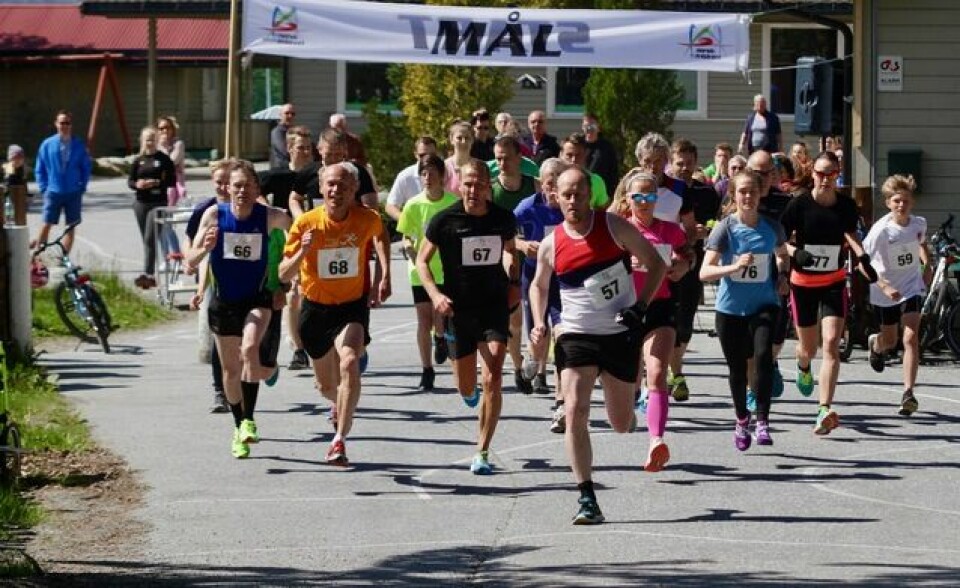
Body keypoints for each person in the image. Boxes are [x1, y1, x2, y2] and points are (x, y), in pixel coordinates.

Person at [529, 166, 666, 525]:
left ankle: (631, 408)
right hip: (575, 335)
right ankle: (586, 496)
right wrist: (541, 320)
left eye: (579, 192)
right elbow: (539, 285)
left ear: (591, 194)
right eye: (566, 194)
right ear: (554, 197)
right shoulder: (551, 243)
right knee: (574, 409)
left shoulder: (614, 226)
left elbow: (656, 264)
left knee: (620, 424)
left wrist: (640, 307)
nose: (573, 200)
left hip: (619, 332)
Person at [279, 162, 391, 466]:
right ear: (321, 188)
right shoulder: (305, 223)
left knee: (350, 361)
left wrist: (384, 275)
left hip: (351, 307)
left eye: (343, 185)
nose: (335, 191)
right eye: (330, 185)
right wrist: (303, 251)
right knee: (327, 386)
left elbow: (381, 238)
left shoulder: (367, 219)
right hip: (315, 309)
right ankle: (338, 402)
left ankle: (339, 440)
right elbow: (283, 273)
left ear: (354, 189)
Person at [416, 160, 518, 475]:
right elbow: (422, 261)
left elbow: (511, 249)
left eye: (479, 184)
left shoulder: (502, 218)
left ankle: (482, 451)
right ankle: (467, 388)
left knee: (494, 376)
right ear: (459, 185)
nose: (473, 190)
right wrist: (435, 295)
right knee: (466, 387)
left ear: (489, 186)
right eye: (468, 184)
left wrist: (512, 272)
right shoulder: (444, 220)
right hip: (459, 309)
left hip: (493, 306)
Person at [186, 159, 292, 458]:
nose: (242, 191)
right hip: (224, 303)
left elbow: (298, 229)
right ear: (227, 189)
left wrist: (288, 277)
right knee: (231, 372)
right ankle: (238, 425)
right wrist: (204, 248)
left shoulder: (268, 216)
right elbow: (190, 261)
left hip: (257, 299)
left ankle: (249, 419)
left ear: (257, 187)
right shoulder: (213, 215)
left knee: (249, 349)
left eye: (247, 185)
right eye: (237, 186)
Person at [780, 151, 877, 435]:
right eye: (821, 174)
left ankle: (824, 408)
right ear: (813, 174)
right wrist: (795, 252)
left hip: (834, 282)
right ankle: (803, 364)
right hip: (804, 284)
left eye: (831, 174)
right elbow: (779, 240)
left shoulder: (846, 205)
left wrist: (862, 256)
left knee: (832, 343)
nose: (825, 179)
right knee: (809, 348)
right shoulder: (798, 205)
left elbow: (849, 233)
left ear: (838, 175)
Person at [701, 171, 790, 450]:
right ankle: (742, 419)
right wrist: (734, 266)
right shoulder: (725, 229)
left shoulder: (772, 227)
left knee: (763, 356)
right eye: (742, 192)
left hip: (764, 305)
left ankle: (762, 419)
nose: (748, 197)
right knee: (737, 369)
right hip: (730, 310)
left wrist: (784, 275)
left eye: (752, 191)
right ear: (733, 195)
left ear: (760, 193)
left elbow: (783, 253)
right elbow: (705, 272)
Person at [622, 171, 693, 470]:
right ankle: (632, 401)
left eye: (650, 196)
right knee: (627, 380)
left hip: (659, 307)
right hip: (624, 308)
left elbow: (687, 252)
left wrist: (683, 265)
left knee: (658, 371)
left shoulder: (669, 230)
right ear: (628, 199)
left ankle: (656, 441)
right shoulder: (620, 230)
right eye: (638, 196)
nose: (644, 202)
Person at [863, 174, 929, 416]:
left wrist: (927, 265)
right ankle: (876, 344)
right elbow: (863, 264)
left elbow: (920, 243)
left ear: (912, 201)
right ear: (888, 203)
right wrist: (883, 286)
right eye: (897, 201)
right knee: (890, 340)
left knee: (910, 338)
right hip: (886, 290)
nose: (902, 205)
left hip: (911, 286)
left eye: (906, 201)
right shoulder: (880, 231)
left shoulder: (918, 223)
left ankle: (908, 393)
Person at [664, 139, 720, 403]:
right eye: (679, 163)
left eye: (689, 163)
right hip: (665, 262)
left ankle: (672, 367)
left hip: (694, 262)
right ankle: (675, 374)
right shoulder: (665, 190)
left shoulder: (707, 193)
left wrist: (703, 231)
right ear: (671, 164)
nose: (684, 168)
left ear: (696, 163)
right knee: (667, 318)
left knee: (685, 322)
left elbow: (714, 225)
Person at [396, 154, 458, 391]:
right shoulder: (413, 204)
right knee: (424, 320)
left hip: (446, 271)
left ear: (443, 176)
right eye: (424, 173)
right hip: (420, 272)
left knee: (440, 315)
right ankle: (427, 369)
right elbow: (406, 237)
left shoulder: (453, 203)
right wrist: (411, 252)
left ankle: (441, 337)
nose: (428, 178)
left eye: (433, 173)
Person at [259, 126, 317, 370]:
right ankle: (298, 349)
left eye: (308, 147)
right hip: (287, 239)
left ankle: (315, 342)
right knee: (293, 295)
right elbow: (256, 192)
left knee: (309, 295)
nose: (304, 152)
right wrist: (273, 215)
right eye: (300, 147)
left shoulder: (318, 175)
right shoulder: (278, 175)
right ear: (289, 149)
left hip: (315, 239)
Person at [514, 158, 569, 412]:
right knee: (539, 330)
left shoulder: (571, 207)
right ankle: (534, 357)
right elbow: (508, 234)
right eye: (550, 182)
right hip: (534, 278)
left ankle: (560, 395)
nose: (554, 188)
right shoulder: (527, 207)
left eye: (559, 182)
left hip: (564, 279)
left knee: (562, 335)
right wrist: (523, 245)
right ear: (541, 184)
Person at [492, 136, 539, 393]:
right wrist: (517, 246)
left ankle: (535, 363)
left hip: (536, 259)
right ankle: (519, 366)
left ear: (519, 158)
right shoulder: (491, 190)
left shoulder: (534, 186)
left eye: (506, 158)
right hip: (506, 259)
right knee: (515, 320)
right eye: (497, 158)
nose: (501, 163)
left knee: (536, 316)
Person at [747, 150, 794, 405]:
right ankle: (753, 389)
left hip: (777, 276)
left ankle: (772, 363)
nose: (762, 178)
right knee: (751, 342)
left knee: (775, 337)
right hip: (744, 278)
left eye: (767, 173)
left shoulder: (784, 201)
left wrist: (786, 272)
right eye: (757, 173)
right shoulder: (738, 198)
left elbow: (793, 238)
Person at [185, 159, 233, 413]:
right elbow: (191, 242)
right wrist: (199, 284)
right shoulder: (207, 210)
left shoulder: (251, 208)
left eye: (229, 182)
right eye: (219, 182)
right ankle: (219, 391)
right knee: (219, 337)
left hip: (249, 280)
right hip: (216, 276)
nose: (224, 187)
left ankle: (260, 364)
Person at [33, 109, 92, 254]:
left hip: (73, 192)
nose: (64, 125)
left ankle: (63, 259)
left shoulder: (78, 145)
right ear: (56, 124)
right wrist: (43, 188)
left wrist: (82, 186)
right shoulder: (47, 144)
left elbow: (86, 167)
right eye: (61, 123)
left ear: (71, 125)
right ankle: (37, 256)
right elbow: (39, 168)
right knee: (46, 224)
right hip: (53, 192)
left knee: (71, 227)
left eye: (67, 123)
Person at [127, 126, 176, 289]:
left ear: (157, 140)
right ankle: (150, 275)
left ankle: (147, 274)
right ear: (142, 141)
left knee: (150, 238)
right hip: (140, 203)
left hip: (158, 202)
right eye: (147, 139)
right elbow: (130, 182)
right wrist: (138, 184)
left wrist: (156, 183)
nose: (150, 142)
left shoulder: (163, 159)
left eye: (153, 139)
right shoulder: (138, 160)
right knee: (147, 241)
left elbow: (172, 181)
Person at [385, 136, 438, 222]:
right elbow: (390, 206)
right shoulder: (406, 176)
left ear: (436, 154)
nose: (427, 159)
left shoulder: (446, 173)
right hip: (414, 232)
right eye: (422, 155)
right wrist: (406, 220)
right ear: (415, 155)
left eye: (431, 155)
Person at [156, 115, 186, 264]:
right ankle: (167, 256)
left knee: (166, 223)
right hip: (159, 188)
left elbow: (172, 162)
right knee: (161, 224)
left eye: (166, 127)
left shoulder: (178, 144)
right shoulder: (156, 145)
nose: (164, 131)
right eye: (160, 128)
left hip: (173, 188)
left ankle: (175, 254)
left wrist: (164, 149)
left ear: (172, 129)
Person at [558, 133, 609, 209]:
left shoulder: (596, 181)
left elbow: (602, 212)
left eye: (578, 155)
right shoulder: (553, 180)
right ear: (561, 155)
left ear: (585, 154)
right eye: (569, 155)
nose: (573, 160)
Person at [581, 113, 619, 196]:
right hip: (582, 191)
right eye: (586, 126)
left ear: (598, 128)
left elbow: (613, 171)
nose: (589, 129)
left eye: (592, 126)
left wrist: (612, 193)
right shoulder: (579, 145)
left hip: (603, 192)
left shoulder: (606, 147)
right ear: (582, 128)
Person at [444, 121, 474, 195]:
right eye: (459, 138)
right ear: (451, 140)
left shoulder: (479, 166)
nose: (463, 142)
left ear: (472, 140)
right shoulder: (444, 167)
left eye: (467, 138)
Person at [2, 144, 28, 226]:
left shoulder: (23, 168)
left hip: (20, 194)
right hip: (10, 193)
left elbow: (24, 182)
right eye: (15, 159)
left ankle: (19, 223)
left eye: (20, 159)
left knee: (20, 213)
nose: (18, 161)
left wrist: (27, 194)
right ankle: (9, 220)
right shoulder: (9, 167)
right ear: (10, 159)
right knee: (9, 209)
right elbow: (8, 182)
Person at [270, 103, 296, 167]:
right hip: (280, 169)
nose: (290, 116)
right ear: (280, 115)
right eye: (287, 113)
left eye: (293, 114)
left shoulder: (294, 130)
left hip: (292, 167)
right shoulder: (277, 132)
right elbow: (285, 151)